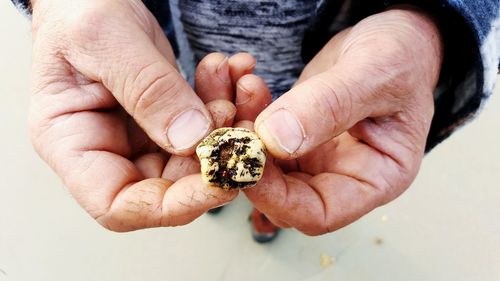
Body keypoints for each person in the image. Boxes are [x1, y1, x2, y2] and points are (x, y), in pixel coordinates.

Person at [10, 0, 499, 242]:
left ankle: (270, 210)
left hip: (334, 55)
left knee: (297, 155)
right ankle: (225, 200)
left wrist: (429, 23)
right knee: (197, 111)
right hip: (162, 43)